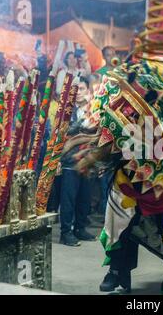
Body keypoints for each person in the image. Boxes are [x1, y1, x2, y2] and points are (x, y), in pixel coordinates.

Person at [59, 77, 96, 246]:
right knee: (68, 198)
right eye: (76, 90)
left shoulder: (94, 111)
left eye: (82, 89)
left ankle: (80, 229)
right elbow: (63, 133)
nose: (79, 93)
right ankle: (65, 232)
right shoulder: (66, 112)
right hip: (70, 160)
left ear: (88, 91)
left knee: (85, 198)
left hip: (88, 160)